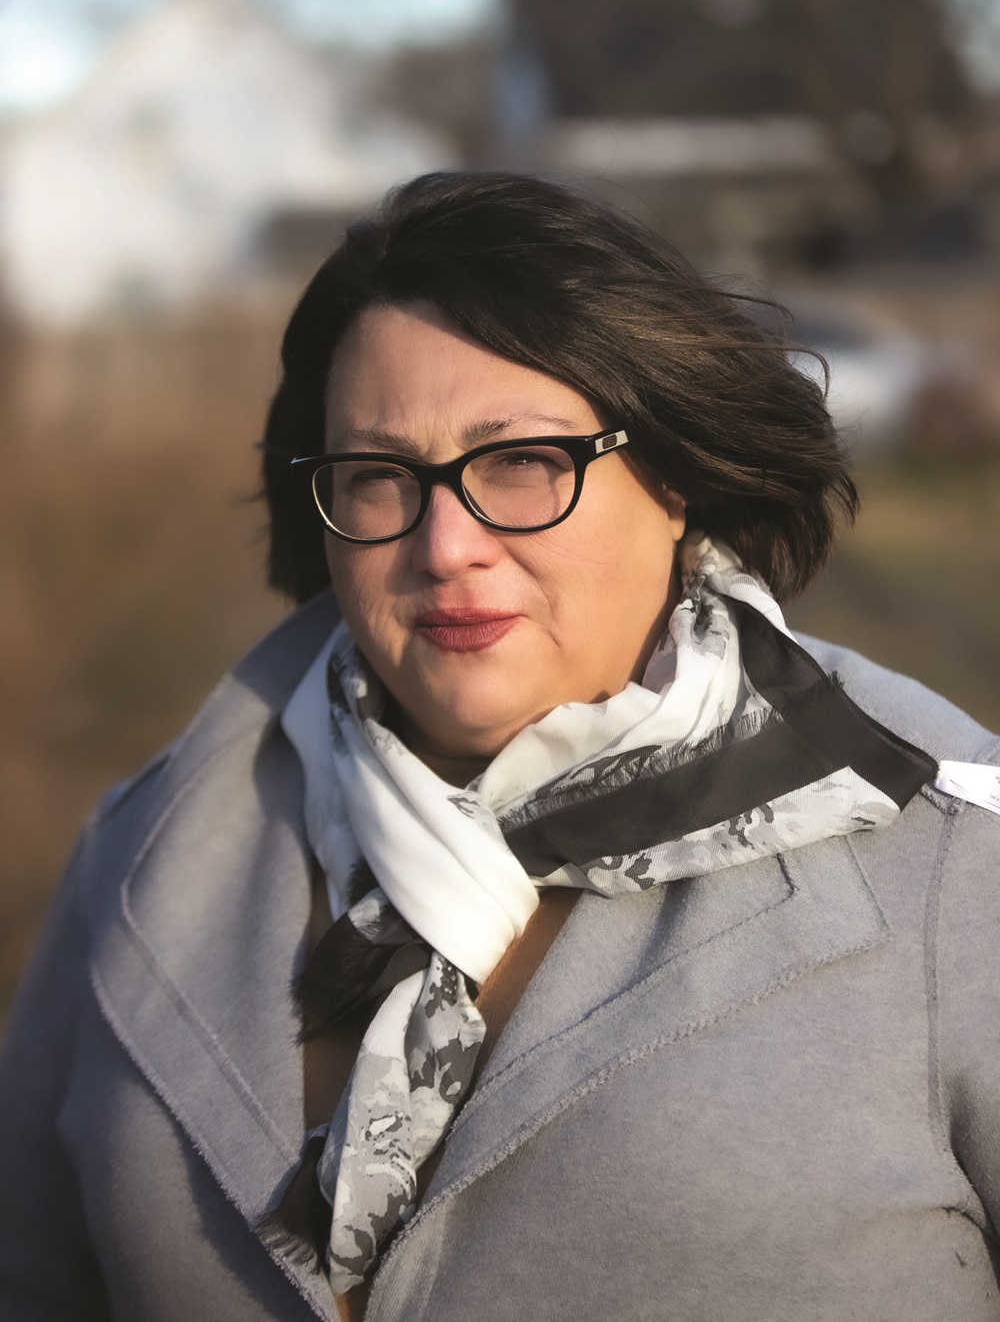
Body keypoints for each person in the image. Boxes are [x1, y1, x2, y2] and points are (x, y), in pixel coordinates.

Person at [1, 170, 999, 1322]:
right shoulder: (142, 857)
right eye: (378, 476)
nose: (446, 546)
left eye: (520, 461)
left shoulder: (955, 864)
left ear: (673, 477)